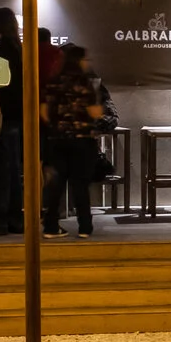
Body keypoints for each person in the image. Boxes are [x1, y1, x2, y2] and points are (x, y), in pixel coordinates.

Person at [42, 39, 109, 237]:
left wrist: (57, 124)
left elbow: (44, 111)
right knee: (80, 185)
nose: (88, 62)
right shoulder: (85, 83)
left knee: (56, 186)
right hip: (82, 141)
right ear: (79, 60)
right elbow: (95, 112)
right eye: (85, 59)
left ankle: (51, 227)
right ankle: (85, 228)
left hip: (57, 141)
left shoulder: (53, 82)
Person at [0, 8, 25, 236]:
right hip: (17, 118)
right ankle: (15, 219)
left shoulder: (1, 52)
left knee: (0, 171)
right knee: (12, 170)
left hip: (2, 118)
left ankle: (0, 220)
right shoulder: (19, 50)